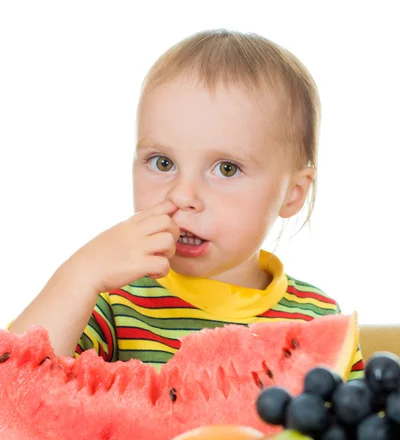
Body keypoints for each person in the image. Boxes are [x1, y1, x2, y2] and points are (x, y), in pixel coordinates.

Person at [9, 29, 363, 377]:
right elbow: (13, 384)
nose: (182, 195)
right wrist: (80, 275)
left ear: (293, 193)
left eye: (226, 168)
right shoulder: (113, 304)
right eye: (163, 162)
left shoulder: (319, 319)